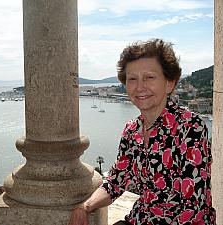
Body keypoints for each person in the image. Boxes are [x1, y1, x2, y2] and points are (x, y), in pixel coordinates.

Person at [67, 39, 216, 225]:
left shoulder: (190, 127)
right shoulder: (132, 130)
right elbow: (116, 182)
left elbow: (193, 206)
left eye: (149, 77)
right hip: (140, 219)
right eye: (132, 79)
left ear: (169, 83)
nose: (139, 87)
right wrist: (85, 207)